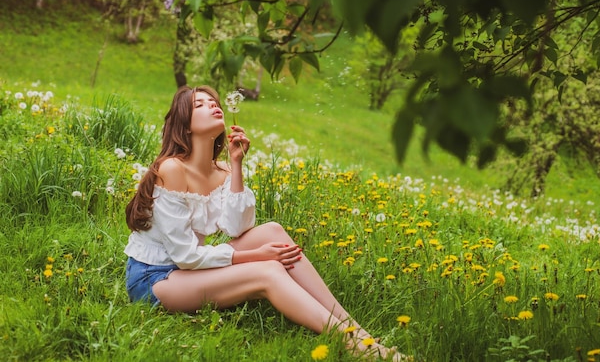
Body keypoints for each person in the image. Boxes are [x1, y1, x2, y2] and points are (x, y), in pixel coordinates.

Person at [124, 85, 406, 361]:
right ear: (184, 125)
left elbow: (237, 228)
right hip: (156, 278)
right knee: (268, 271)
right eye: (200, 105)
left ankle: (357, 331)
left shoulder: (220, 170)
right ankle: (354, 345)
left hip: (189, 268)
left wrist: (236, 165)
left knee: (272, 231)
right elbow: (184, 257)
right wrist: (256, 256)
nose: (213, 105)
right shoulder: (172, 169)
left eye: (214, 102)